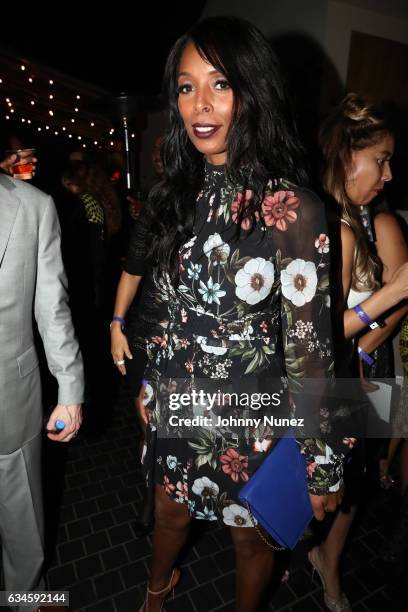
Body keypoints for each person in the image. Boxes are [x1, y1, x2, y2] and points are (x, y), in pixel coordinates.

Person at [116, 17, 351, 612]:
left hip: (256, 422)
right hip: (180, 402)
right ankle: (156, 589)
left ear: (253, 91)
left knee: (252, 541)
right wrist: (149, 382)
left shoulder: (293, 210)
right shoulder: (176, 192)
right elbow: (166, 310)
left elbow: (311, 353)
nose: (200, 103)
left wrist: (322, 466)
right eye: (186, 86)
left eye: (220, 84)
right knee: (168, 512)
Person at [308, 93, 408, 611]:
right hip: (332, 376)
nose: (389, 175)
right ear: (348, 158)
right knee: (315, 480)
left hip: (370, 371)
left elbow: (393, 314)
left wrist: (366, 352)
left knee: (354, 484)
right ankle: (296, 550)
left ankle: (328, 563)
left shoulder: (376, 224)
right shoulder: (320, 220)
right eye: (383, 160)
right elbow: (313, 332)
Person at [0, 155, 83, 612]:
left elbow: (52, 308)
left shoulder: (33, 206)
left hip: (10, 399)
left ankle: (27, 596)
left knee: (22, 520)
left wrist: (70, 391)